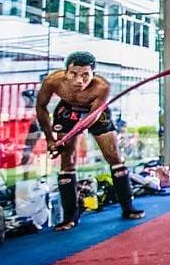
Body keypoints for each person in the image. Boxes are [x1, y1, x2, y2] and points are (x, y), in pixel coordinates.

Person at [35, 51, 144, 230]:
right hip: (68, 111)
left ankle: (128, 207)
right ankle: (70, 217)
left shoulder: (102, 87)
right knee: (67, 161)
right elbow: (41, 107)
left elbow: (92, 117)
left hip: (95, 114)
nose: (79, 80)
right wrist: (49, 139)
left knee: (114, 156)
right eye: (73, 74)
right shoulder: (53, 81)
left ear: (93, 74)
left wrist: (73, 133)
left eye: (85, 75)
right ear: (65, 72)